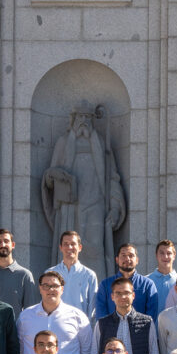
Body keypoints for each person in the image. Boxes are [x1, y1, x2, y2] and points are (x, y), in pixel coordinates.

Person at [40, 103, 126, 279]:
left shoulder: (101, 144)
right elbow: (49, 178)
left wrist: (116, 207)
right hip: (70, 208)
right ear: (73, 119)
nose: (83, 121)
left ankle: (99, 291)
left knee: (96, 251)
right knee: (68, 252)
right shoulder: (63, 143)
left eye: (87, 117)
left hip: (96, 207)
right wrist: (55, 176)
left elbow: (112, 178)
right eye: (80, 116)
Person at [94, 243, 159, 320]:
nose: (127, 259)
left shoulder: (147, 285)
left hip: (140, 327)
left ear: (137, 260)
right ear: (117, 260)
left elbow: (151, 316)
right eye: (123, 255)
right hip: (111, 327)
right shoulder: (105, 285)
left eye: (131, 255)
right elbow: (101, 314)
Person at [0, 228, 40, 320]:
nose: (3, 245)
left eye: (6, 241)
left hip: (16, 328)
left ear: (13, 245)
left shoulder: (24, 275)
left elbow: (31, 310)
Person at [49, 231, 98, 319]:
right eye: (66, 244)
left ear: (80, 247)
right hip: (54, 323)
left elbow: (93, 308)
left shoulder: (89, 275)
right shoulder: (50, 273)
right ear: (60, 247)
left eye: (73, 244)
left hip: (79, 325)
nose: (69, 247)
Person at [148, 239, 177, 317]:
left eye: (169, 253)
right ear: (156, 255)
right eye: (162, 253)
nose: (165, 256)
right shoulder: (146, 281)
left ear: (174, 256)